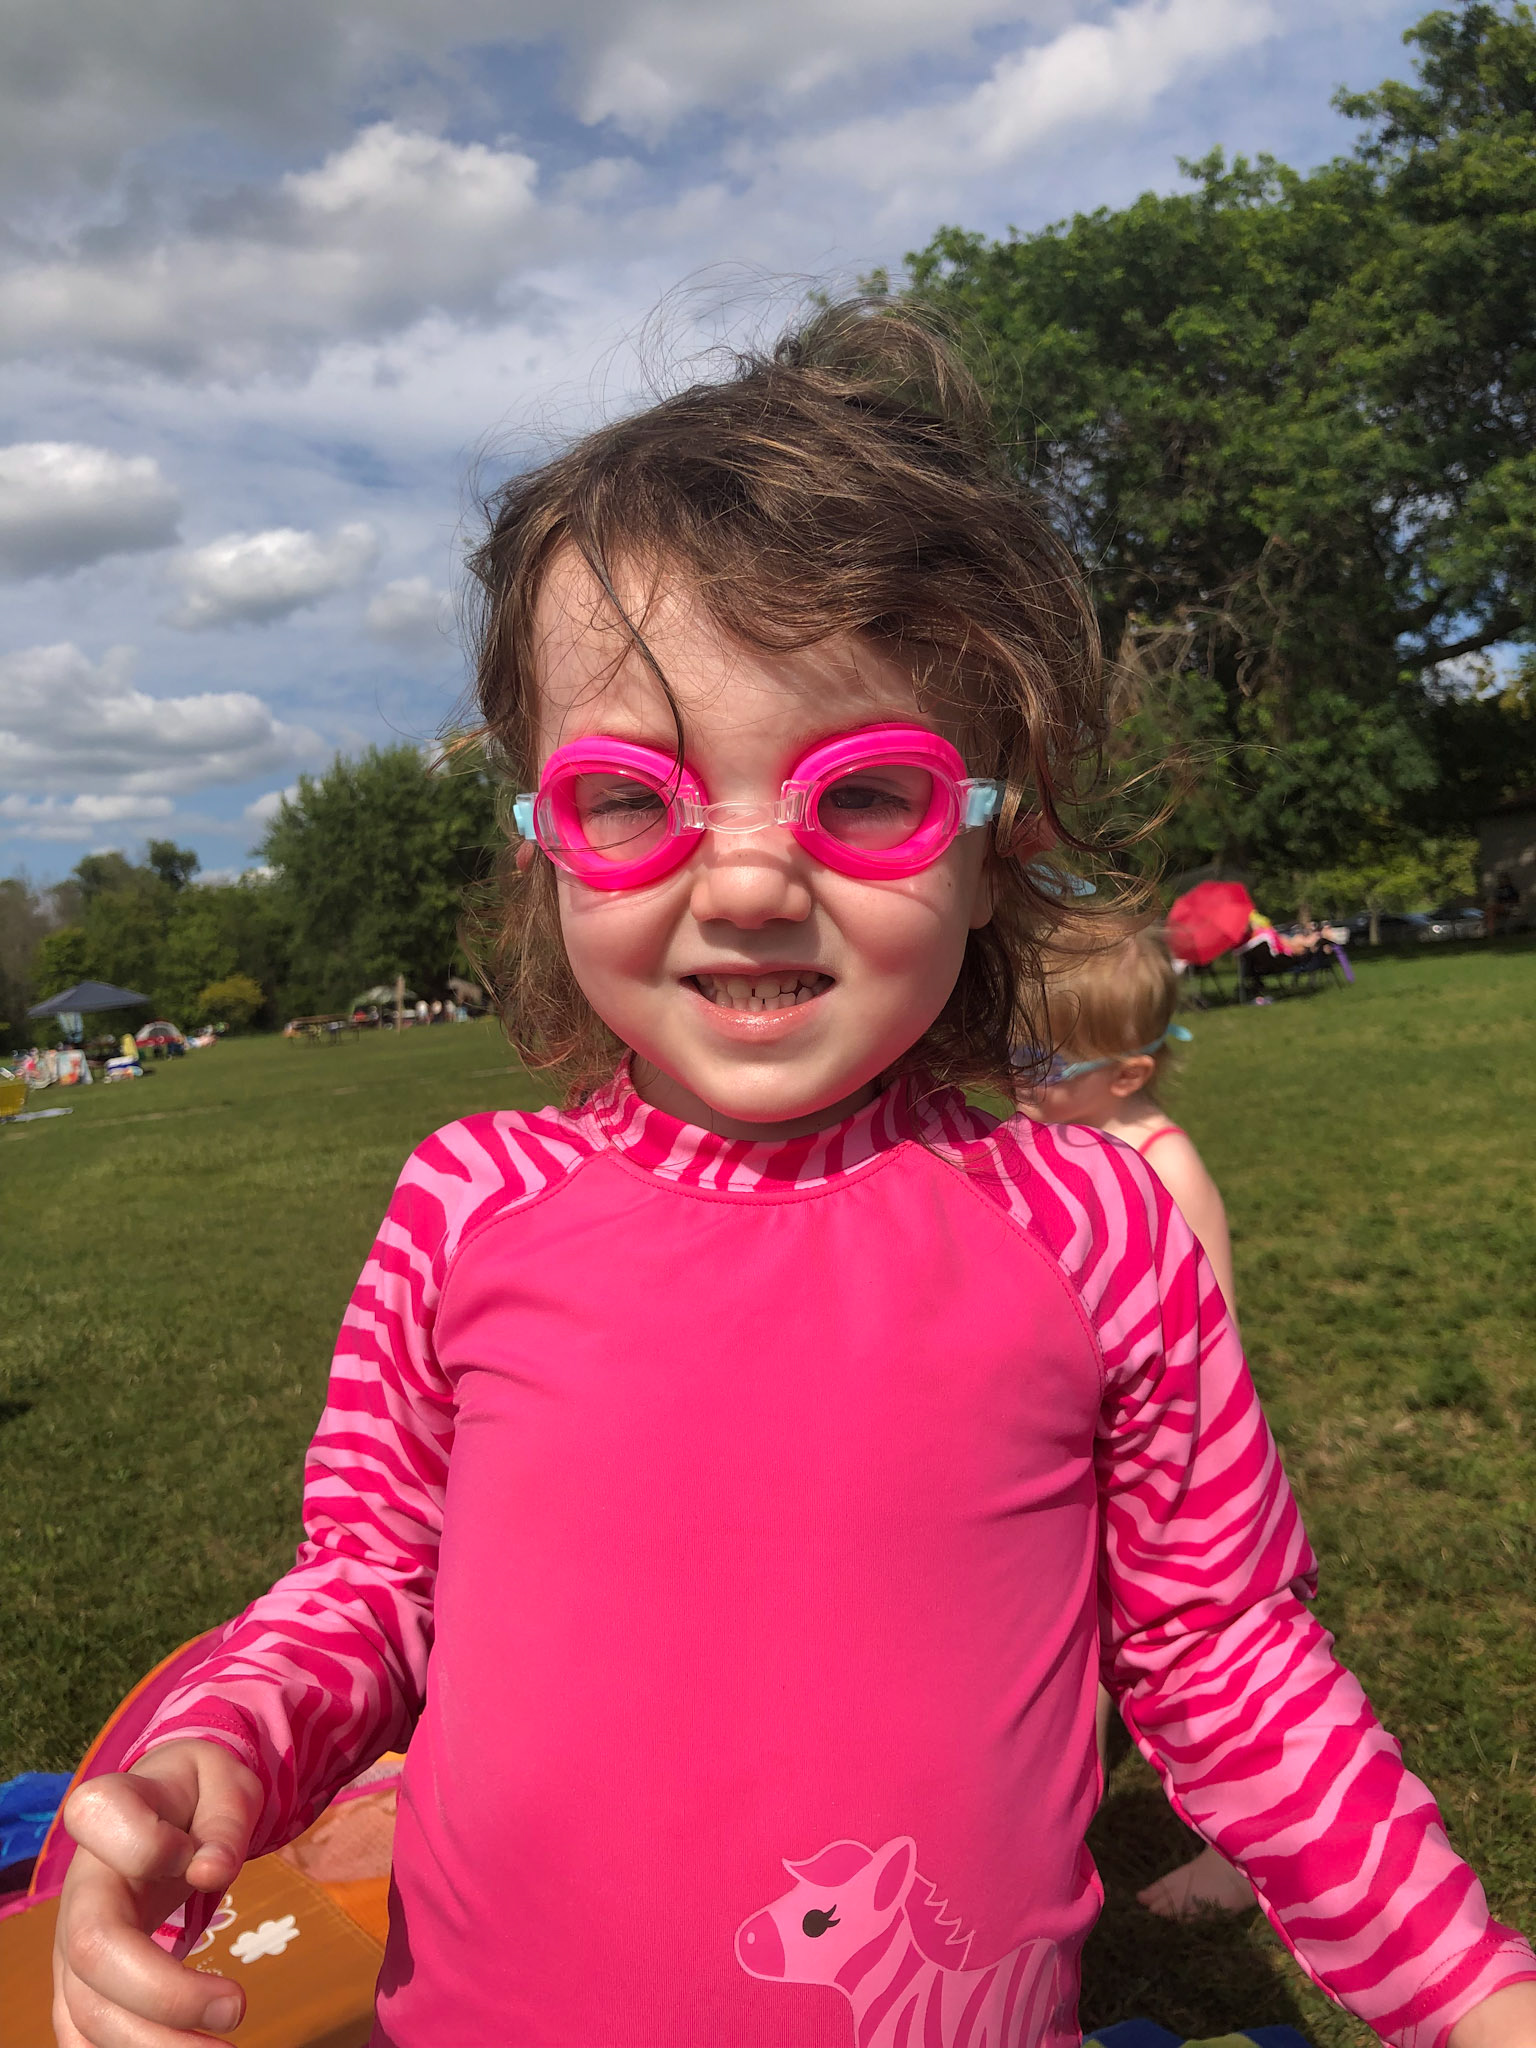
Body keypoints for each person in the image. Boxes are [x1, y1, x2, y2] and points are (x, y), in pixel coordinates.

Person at [53, 304, 1536, 2048]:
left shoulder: (1095, 1232)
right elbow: (369, 1587)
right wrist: (216, 1753)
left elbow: (1227, 1658)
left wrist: (1468, 1993)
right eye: (634, 798)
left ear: (999, 842)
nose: (750, 880)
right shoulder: (467, 1208)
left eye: (865, 793)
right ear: (542, 848)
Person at [1019, 919, 1252, 1917]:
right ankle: (1047, 1829)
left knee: (1189, 1663)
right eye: (1013, 1047)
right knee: (1067, 1644)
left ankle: (1240, 1853)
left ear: (1127, 1074)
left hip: (1159, 1462)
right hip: (1072, 1442)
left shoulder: (1165, 1168)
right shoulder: (1058, 1139)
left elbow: (1208, 1339)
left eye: (1044, 1062)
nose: (1017, 1075)